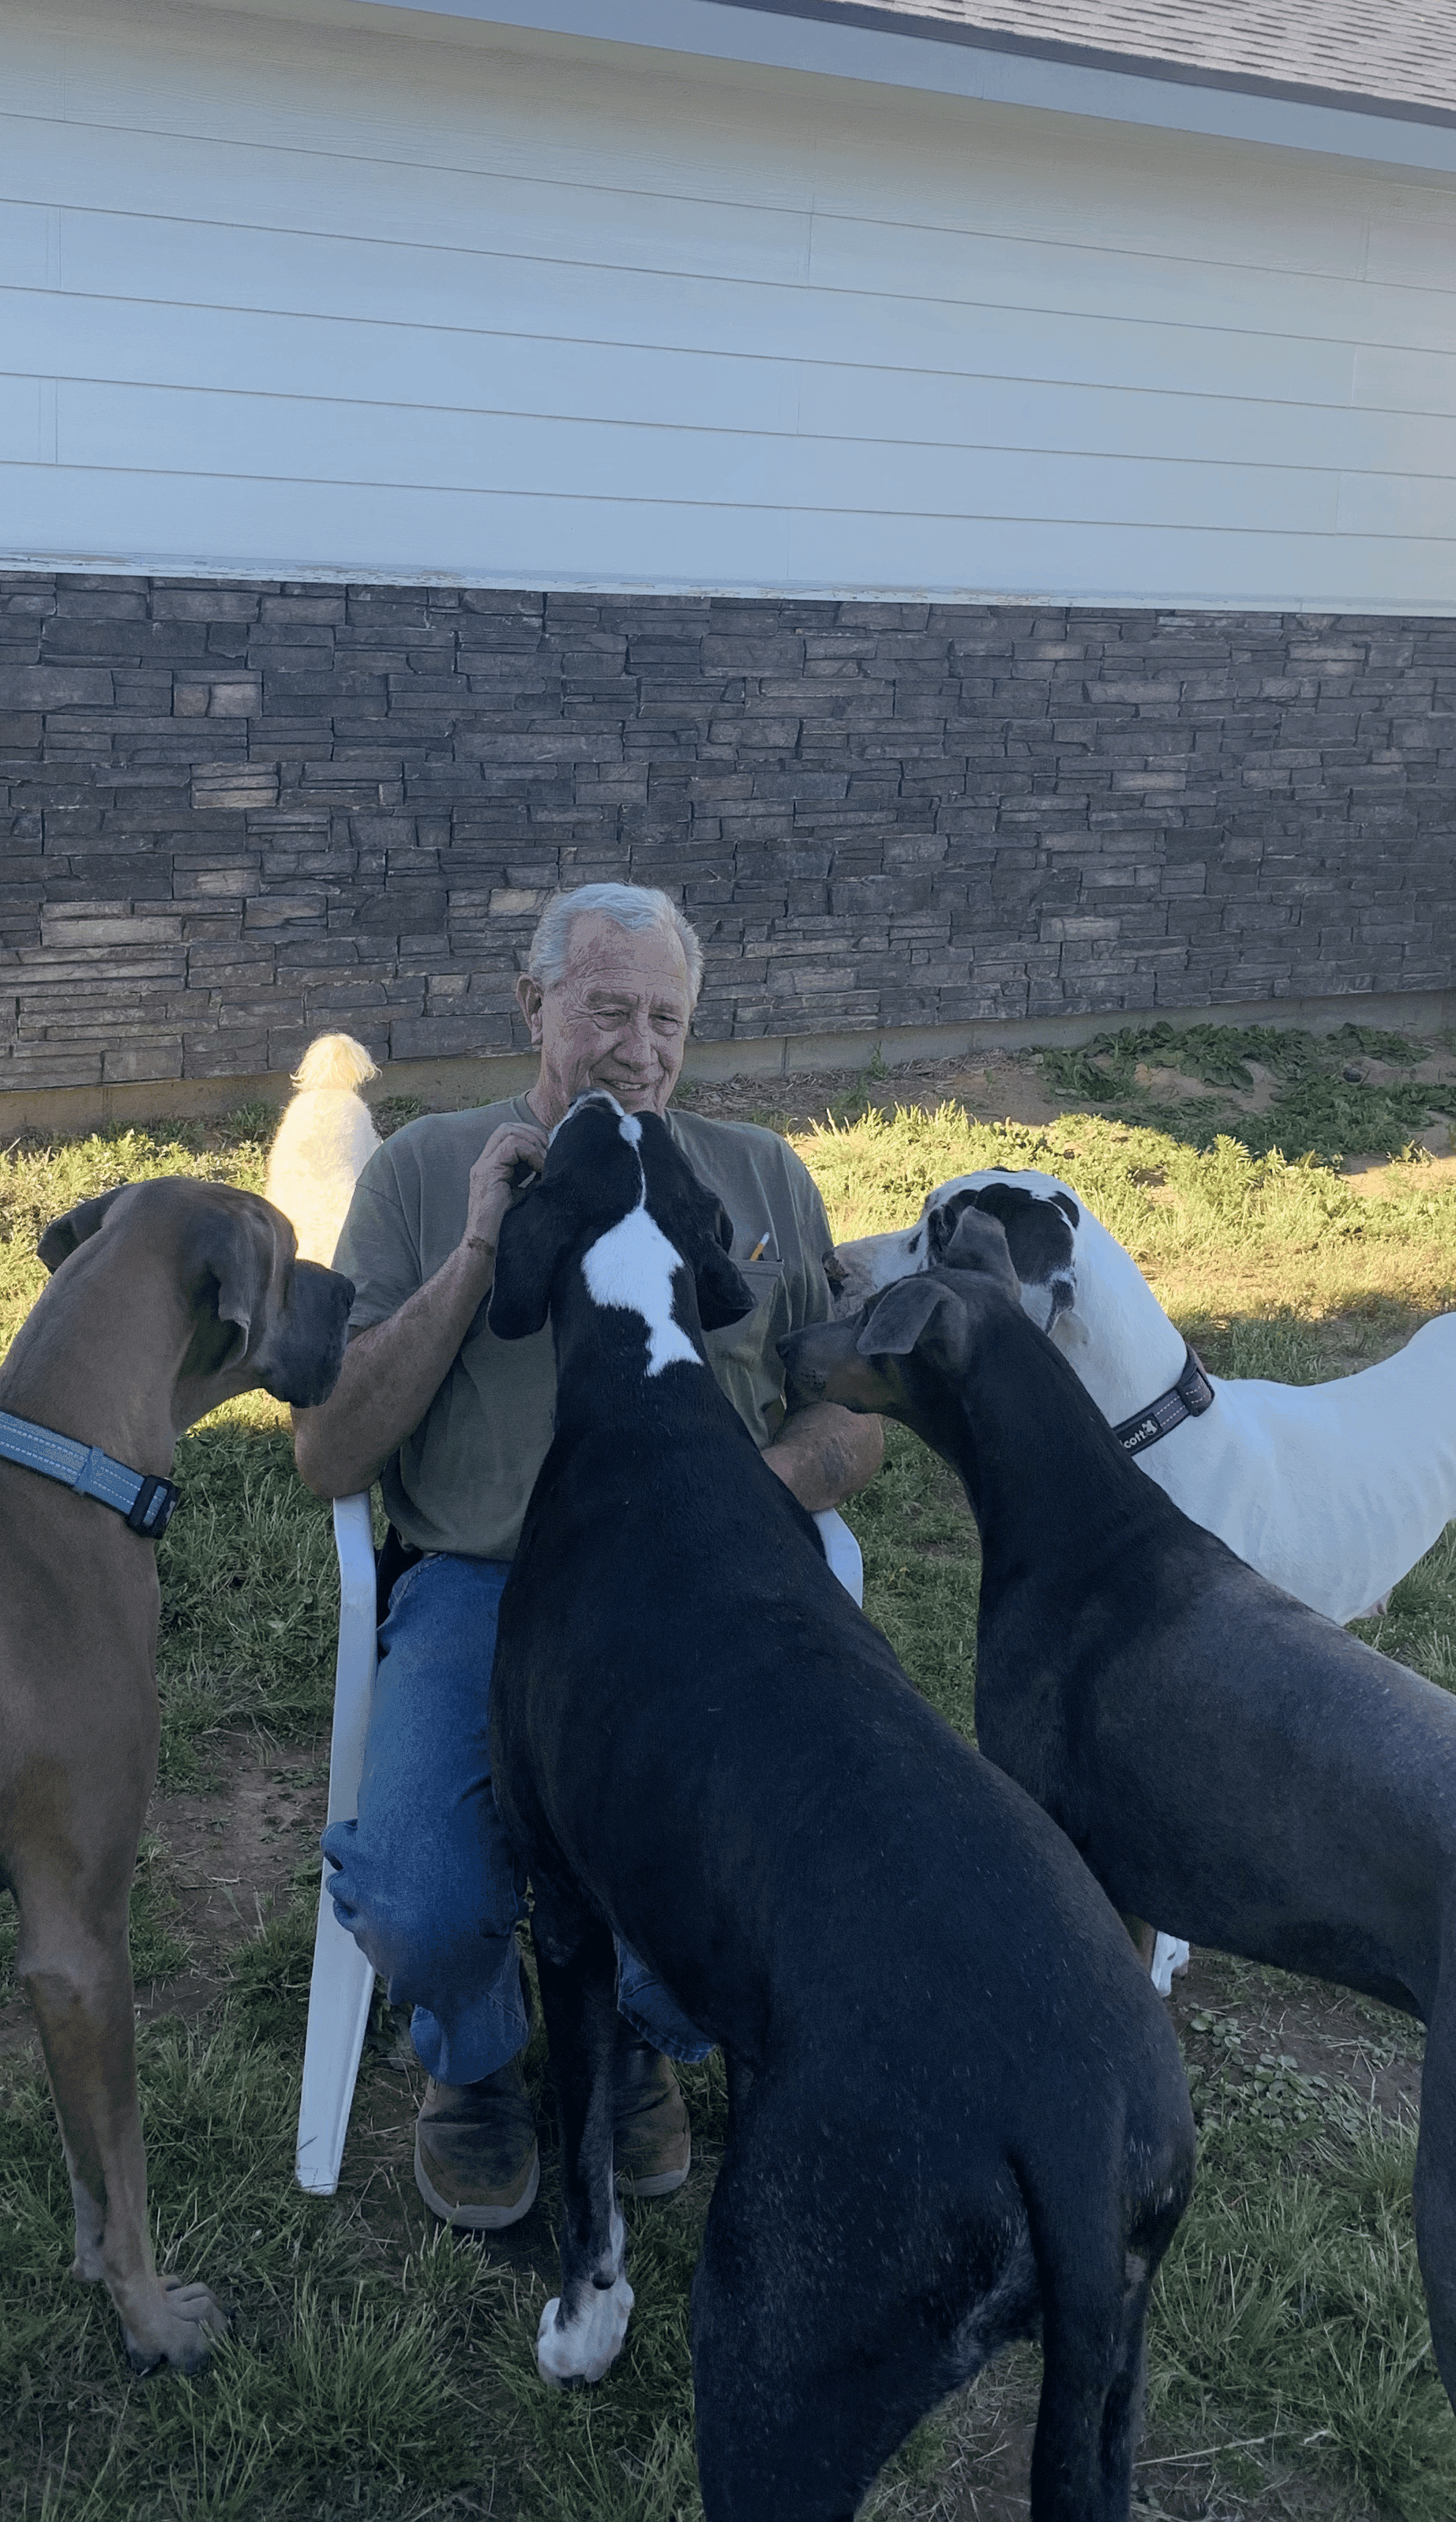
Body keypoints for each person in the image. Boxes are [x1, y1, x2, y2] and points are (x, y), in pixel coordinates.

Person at [292, 881, 884, 2228]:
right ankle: (480, 2059)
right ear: (532, 1006)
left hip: (701, 1591)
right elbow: (329, 1457)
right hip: (484, 1591)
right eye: (606, 1010)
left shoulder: (759, 1176)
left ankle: (633, 2037)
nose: (638, 1048)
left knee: (762, 1866)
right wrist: (478, 1254)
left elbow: (849, 1416)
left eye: (664, 1018)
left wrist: (760, 1489)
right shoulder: (429, 1170)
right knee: (425, 1903)